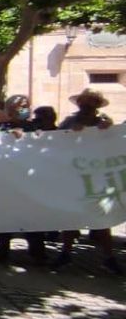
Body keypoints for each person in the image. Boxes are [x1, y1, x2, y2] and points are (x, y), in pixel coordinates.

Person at [54, 89, 120, 273]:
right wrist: (69, 133)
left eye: (91, 102)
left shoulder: (104, 122)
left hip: (97, 176)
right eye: (84, 101)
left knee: (102, 218)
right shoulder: (69, 121)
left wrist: (107, 131)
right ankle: (65, 253)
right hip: (74, 175)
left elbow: (113, 144)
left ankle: (108, 257)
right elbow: (56, 142)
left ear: (97, 105)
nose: (86, 105)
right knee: (70, 217)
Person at [0, 94, 47, 264]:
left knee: (33, 215)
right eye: (20, 106)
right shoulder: (2, 127)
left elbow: (49, 140)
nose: (24, 108)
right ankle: (3, 247)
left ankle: (37, 249)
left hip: (31, 177)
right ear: (10, 110)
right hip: (8, 177)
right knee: (6, 213)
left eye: (26, 105)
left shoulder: (36, 126)